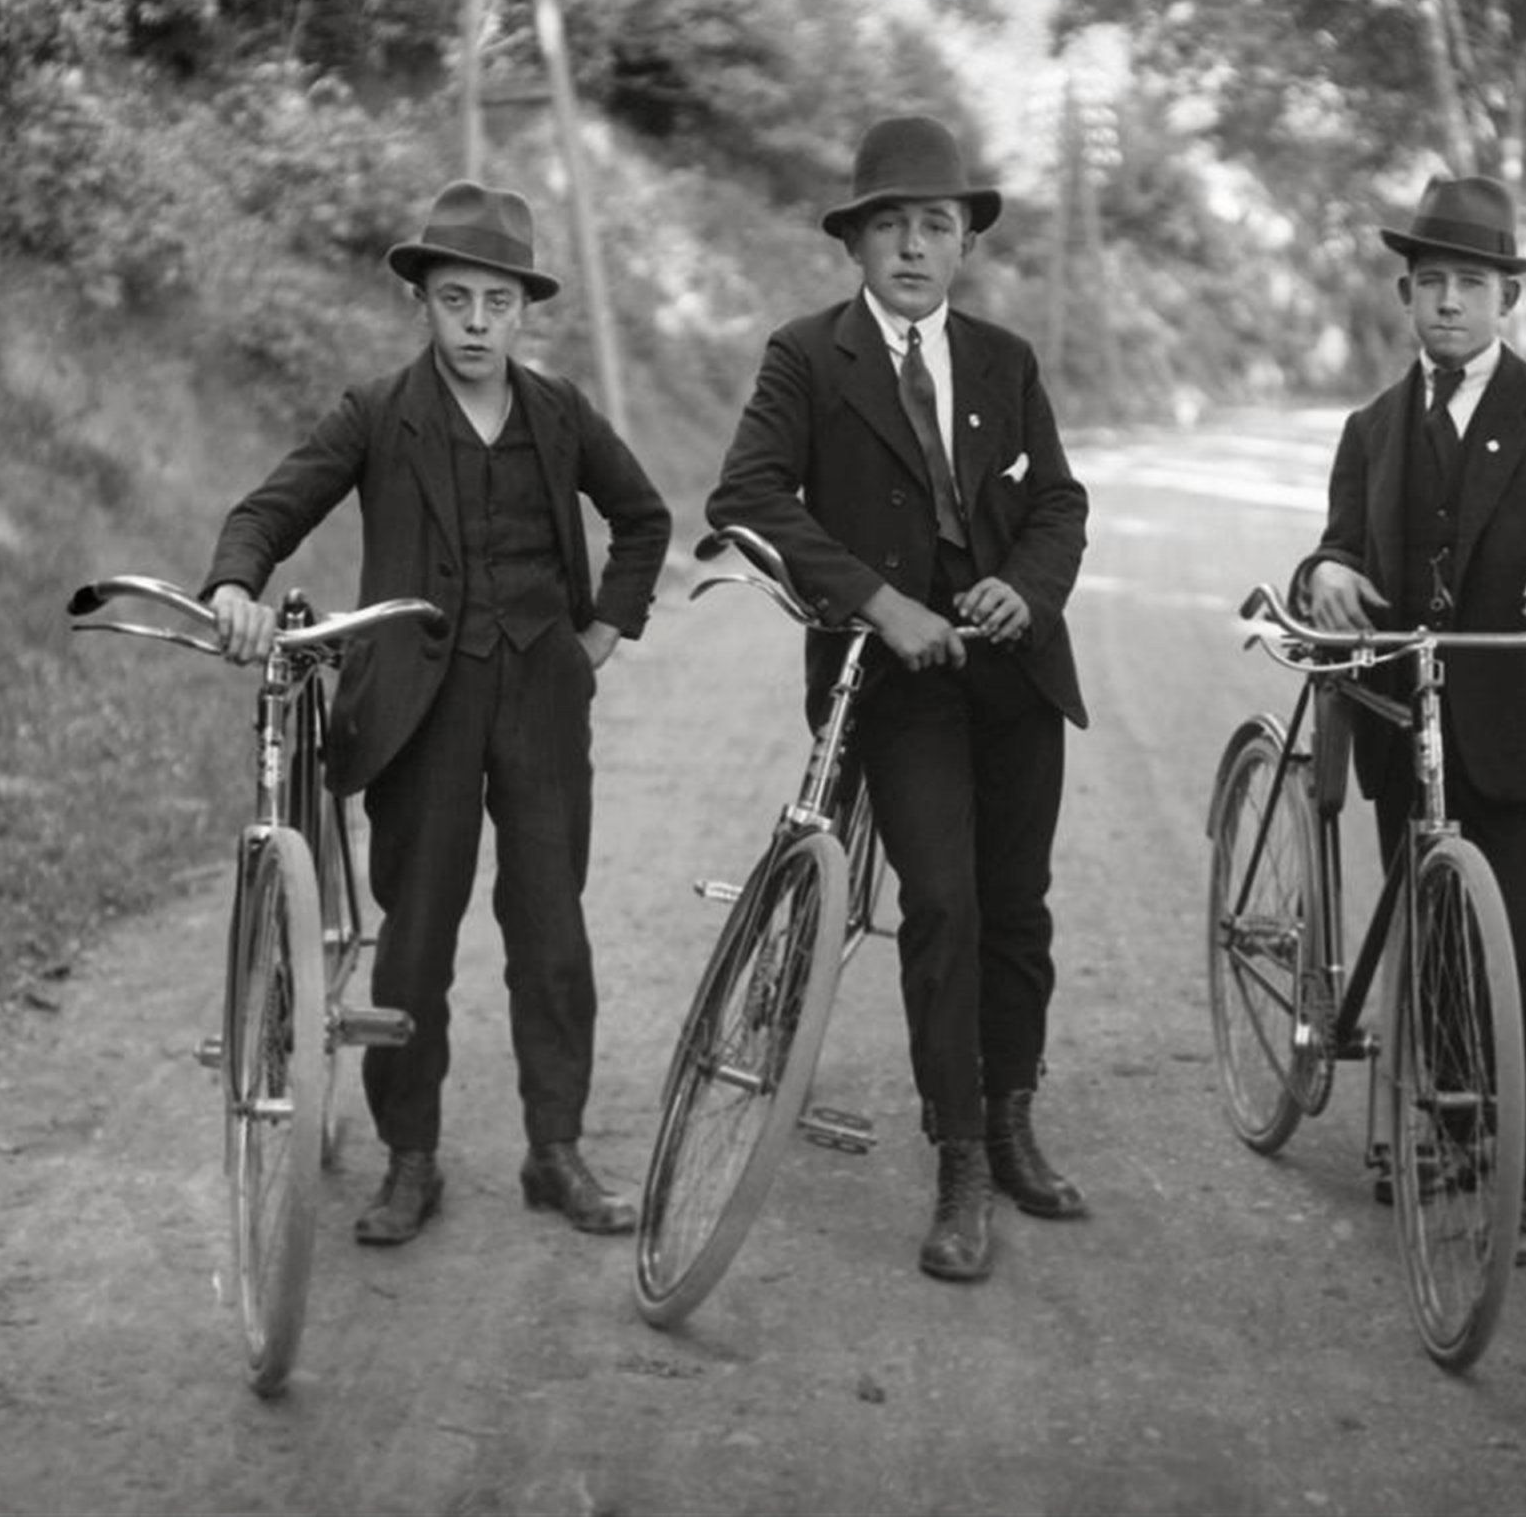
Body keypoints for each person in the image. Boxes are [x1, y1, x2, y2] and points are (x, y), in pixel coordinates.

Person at [200, 179, 672, 1247]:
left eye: (495, 302)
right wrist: (236, 580)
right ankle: (411, 1157)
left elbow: (644, 518)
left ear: (522, 310)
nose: (474, 322)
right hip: (423, 705)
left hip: (543, 699)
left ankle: (556, 1149)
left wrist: (599, 634)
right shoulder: (377, 413)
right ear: (422, 299)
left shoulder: (558, 413)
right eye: (454, 297)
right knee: (417, 937)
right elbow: (272, 505)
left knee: (551, 928)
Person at [707, 115, 1091, 1283]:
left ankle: (1014, 1113)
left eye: (937, 224)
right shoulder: (806, 356)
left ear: (965, 241)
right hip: (892, 674)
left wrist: (1024, 592)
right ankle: (960, 1153)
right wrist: (881, 602)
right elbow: (749, 496)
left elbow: (1059, 506)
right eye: (892, 226)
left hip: (1011, 666)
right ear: (856, 244)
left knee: (1018, 903)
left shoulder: (1004, 362)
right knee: (943, 898)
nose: (914, 247)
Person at [1295, 174, 1526, 1266]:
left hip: (1523, 718)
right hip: (1409, 715)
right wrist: (1329, 573)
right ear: (1407, 295)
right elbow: (1338, 542)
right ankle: (1451, 1130)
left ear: (1508, 303)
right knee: (1435, 931)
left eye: (1472, 284)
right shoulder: (1373, 428)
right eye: (1432, 282)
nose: (1449, 302)